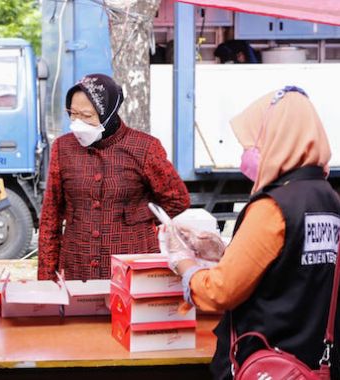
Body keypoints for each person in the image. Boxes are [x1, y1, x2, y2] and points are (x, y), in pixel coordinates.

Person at [161, 86, 340, 379]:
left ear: (278, 139)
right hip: (310, 362)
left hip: (265, 362)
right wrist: (224, 253)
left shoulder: (274, 207)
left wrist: (184, 262)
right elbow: (291, 266)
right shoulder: (327, 199)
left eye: (255, 142)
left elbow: (221, 291)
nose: (248, 154)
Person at [38, 73, 190, 281]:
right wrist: (46, 280)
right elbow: (50, 216)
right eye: (72, 114)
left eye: (87, 115)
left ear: (108, 113)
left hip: (131, 263)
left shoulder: (143, 147)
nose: (77, 122)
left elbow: (177, 199)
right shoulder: (63, 147)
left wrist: (136, 216)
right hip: (77, 265)